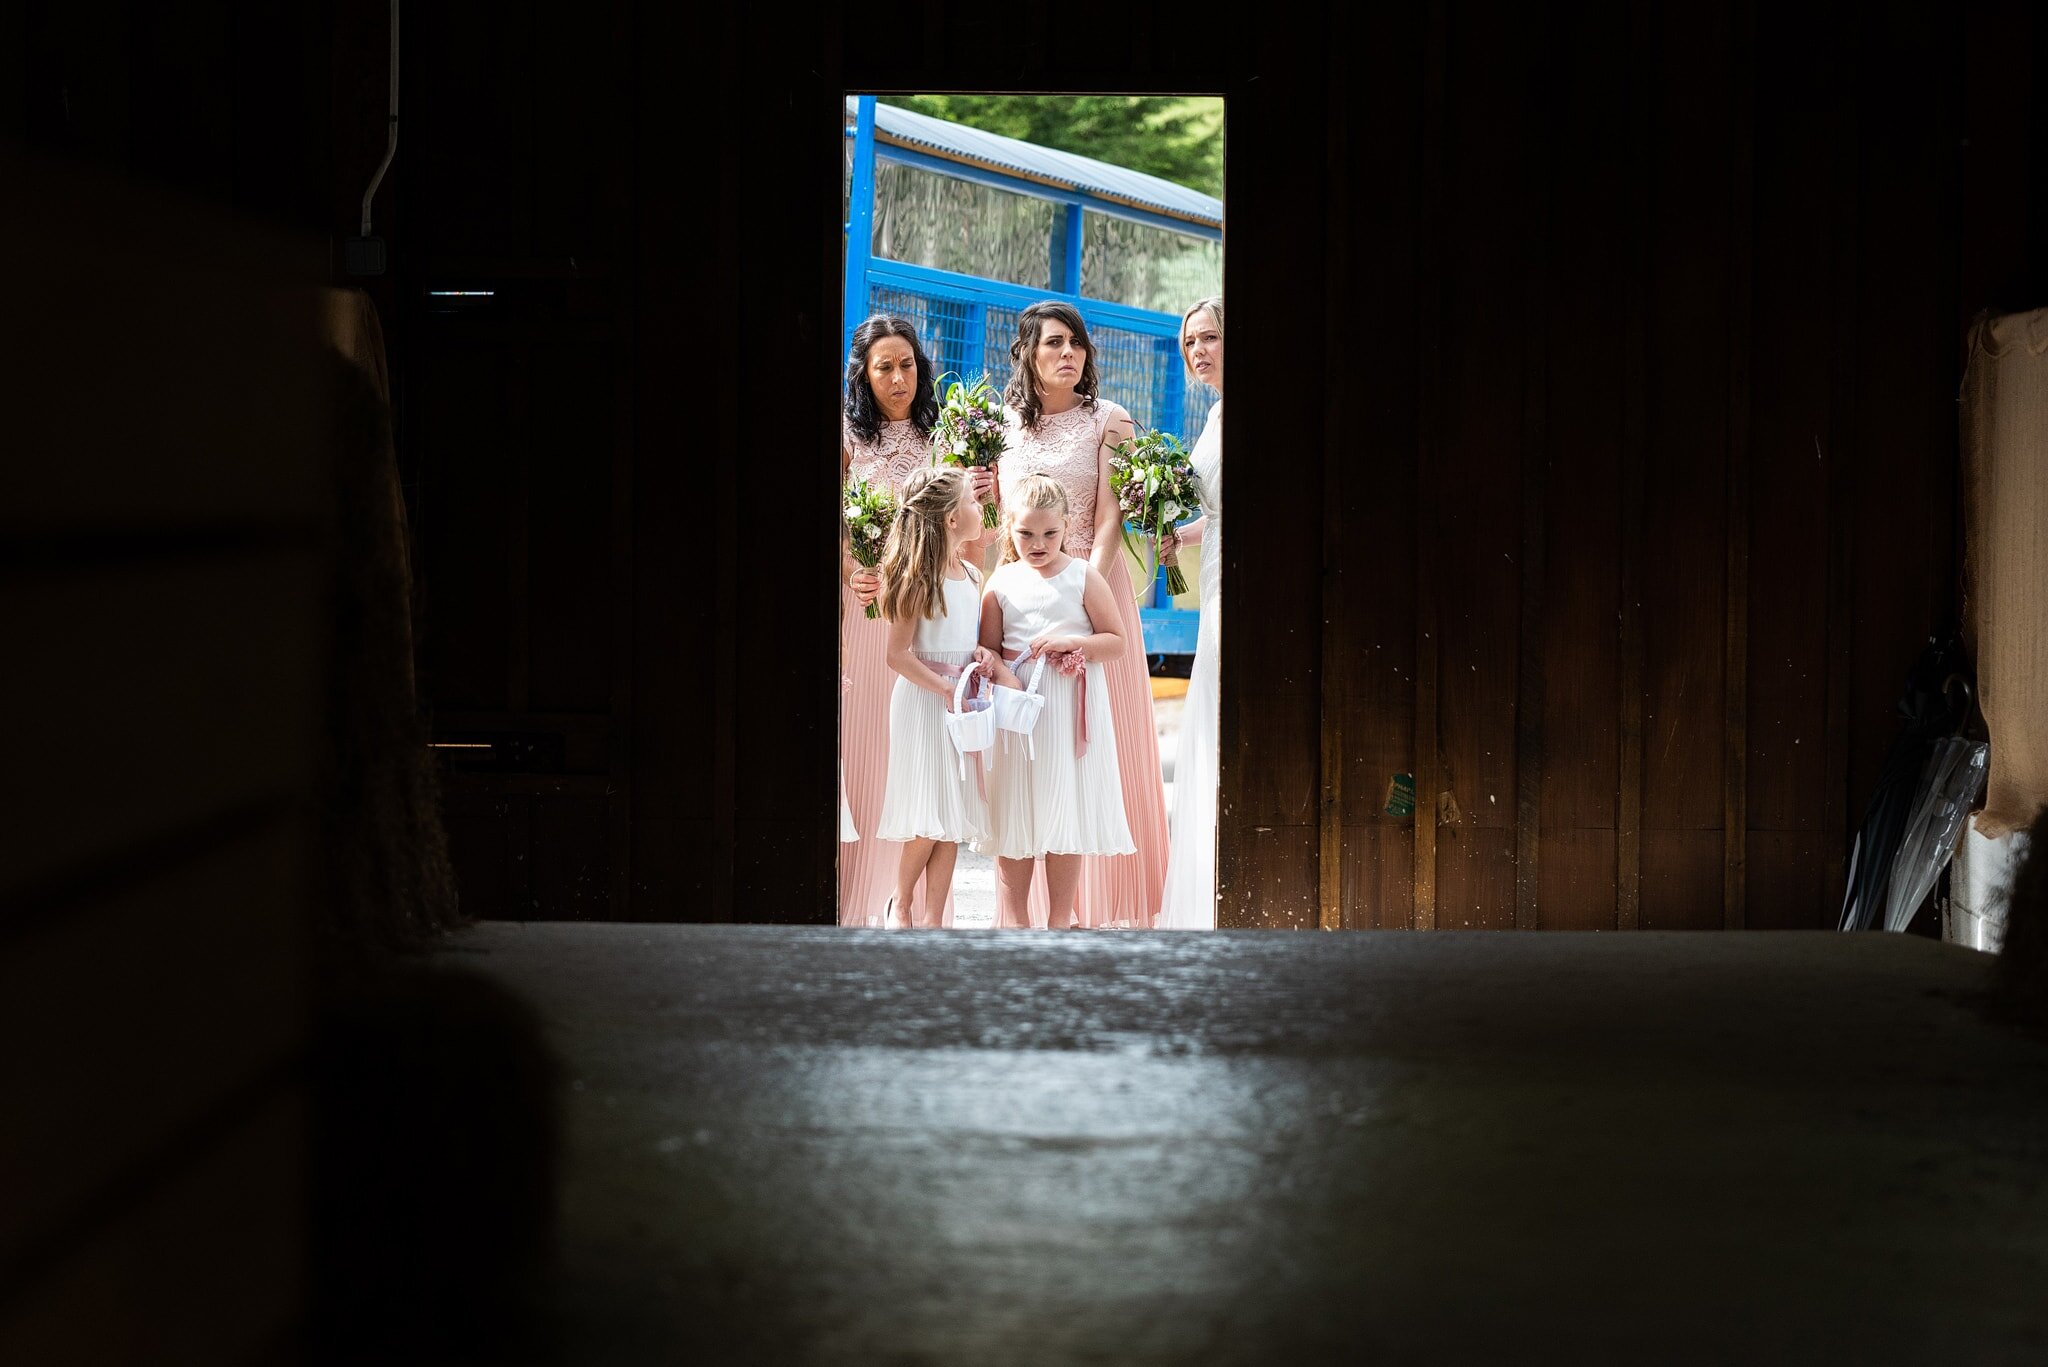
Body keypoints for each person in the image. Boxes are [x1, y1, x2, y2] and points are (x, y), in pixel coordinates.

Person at [996, 302, 1168, 929]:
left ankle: (1093, 907)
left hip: (1091, 596)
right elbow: (1001, 525)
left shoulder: (1108, 421)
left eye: (1077, 344)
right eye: (1054, 344)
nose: (1070, 354)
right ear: (1029, 355)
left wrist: (1079, 596)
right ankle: (1018, 918)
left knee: (1097, 744)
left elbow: (1108, 519)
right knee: (1023, 756)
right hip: (1020, 598)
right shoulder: (1004, 425)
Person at [839, 315, 995, 925]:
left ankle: (925, 913)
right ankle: (861, 901)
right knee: (871, 754)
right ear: (865, 374)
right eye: (884, 367)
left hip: (931, 615)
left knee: (931, 764)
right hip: (871, 605)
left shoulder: (945, 438)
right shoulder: (850, 439)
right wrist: (853, 572)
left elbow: (969, 529)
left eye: (907, 364)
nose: (898, 378)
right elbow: (838, 521)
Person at [979, 474, 1134, 929]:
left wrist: (1072, 643)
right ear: (1009, 527)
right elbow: (988, 647)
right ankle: (1014, 918)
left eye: (1049, 532)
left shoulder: (1083, 576)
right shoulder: (1001, 581)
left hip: (1067, 708)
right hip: (1019, 708)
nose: (1038, 543)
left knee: (1063, 806)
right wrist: (1000, 670)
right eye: (1025, 533)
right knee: (1015, 809)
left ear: (1067, 525)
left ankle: (1061, 918)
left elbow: (1117, 641)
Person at [873, 468, 996, 928]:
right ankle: (900, 903)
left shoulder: (969, 572)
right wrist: (944, 687)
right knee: (929, 814)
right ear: (950, 519)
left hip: (958, 705)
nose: (979, 507)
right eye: (971, 501)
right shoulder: (917, 578)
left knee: (951, 818)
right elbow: (896, 656)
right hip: (924, 704)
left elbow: (968, 640)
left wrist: (980, 656)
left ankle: (933, 919)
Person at [1157, 297, 1224, 929]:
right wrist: (1182, 536)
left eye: (1207, 338)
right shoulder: (1213, 416)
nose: (1196, 351)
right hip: (1212, 579)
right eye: (1188, 344)